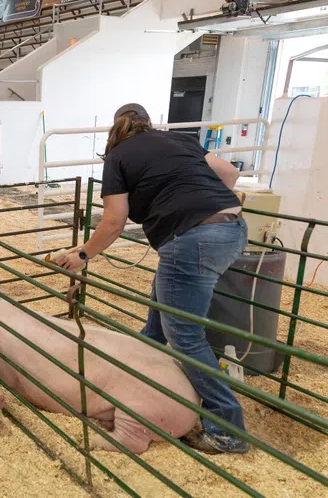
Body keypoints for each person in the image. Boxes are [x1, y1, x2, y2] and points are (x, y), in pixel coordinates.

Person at [56, 103, 249, 455]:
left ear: (117, 129)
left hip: (191, 239)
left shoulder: (117, 156)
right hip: (232, 228)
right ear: (147, 124)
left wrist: (82, 255)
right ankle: (138, 387)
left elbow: (114, 221)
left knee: (185, 336)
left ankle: (227, 426)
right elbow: (229, 175)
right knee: (159, 324)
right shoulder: (178, 140)